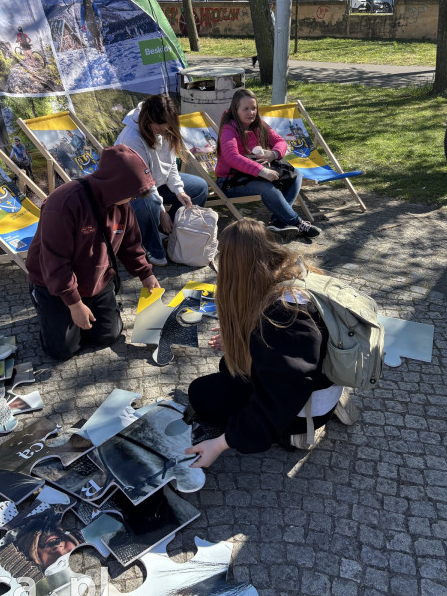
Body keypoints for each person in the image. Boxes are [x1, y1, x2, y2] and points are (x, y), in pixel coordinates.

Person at [185, 219, 355, 469]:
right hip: (318, 380)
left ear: (234, 269)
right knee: (227, 365)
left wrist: (221, 443)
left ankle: (288, 435)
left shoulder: (285, 315)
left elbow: (283, 393)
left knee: (201, 394)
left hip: (306, 408)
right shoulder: (294, 273)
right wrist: (245, 339)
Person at [26, 144, 160, 360]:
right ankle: (49, 310)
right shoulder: (63, 203)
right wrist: (74, 303)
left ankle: (78, 314)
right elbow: (54, 260)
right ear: (115, 185)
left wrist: (146, 273)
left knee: (108, 335)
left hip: (96, 281)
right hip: (54, 284)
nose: (133, 200)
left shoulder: (123, 204)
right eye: (132, 195)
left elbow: (131, 243)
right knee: (62, 350)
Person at [115, 94, 209, 266]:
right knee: (149, 201)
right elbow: (143, 181)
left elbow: (171, 165)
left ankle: (166, 233)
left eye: (166, 127)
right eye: (160, 127)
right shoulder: (132, 138)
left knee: (200, 188)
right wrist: (162, 212)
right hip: (131, 190)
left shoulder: (166, 129)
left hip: (157, 183)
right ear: (148, 121)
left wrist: (179, 191)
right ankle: (150, 245)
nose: (163, 131)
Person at [215, 88, 321, 239]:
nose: (250, 112)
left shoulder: (257, 124)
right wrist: (262, 172)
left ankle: (279, 222)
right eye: (245, 109)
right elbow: (232, 157)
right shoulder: (228, 129)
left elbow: (280, 141)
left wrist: (274, 154)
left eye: (253, 108)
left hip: (251, 173)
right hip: (230, 180)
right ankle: (298, 223)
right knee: (268, 188)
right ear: (235, 109)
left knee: (295, 174)